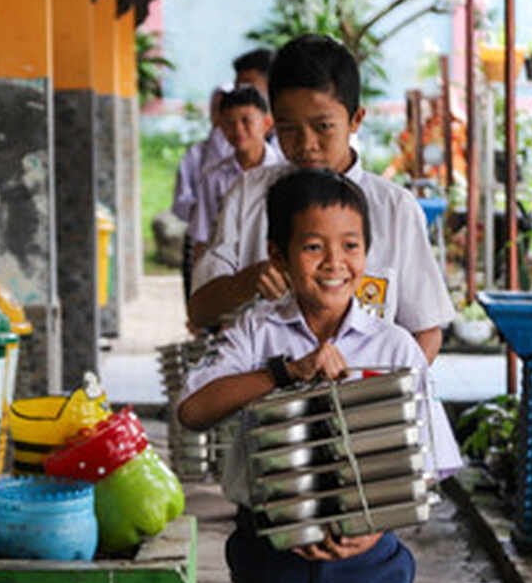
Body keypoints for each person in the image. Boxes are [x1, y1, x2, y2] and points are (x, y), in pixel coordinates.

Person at [178, 169, 462, 583]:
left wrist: (374, 530)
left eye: (351, 245)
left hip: (367, 570)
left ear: (367, 252)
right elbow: (193, 409)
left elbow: (429, 465)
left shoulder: (394, 347)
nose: (335, 262)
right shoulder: (256, 334)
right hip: (272, 561)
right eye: (313, 246)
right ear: (278, 256)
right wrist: (285, 372)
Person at [187, 34, 454, 364]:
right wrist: (247, 282)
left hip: (366, 393)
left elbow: (426, 331)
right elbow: (200, 311)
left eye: (323, 126)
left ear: (355, 119)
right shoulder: (248, 195)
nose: (306, 144)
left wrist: (389, 388)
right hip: (266, 394)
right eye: (288, 129)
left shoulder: (395, 209)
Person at [186, 87, 283, 264]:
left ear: (267, 123)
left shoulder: (283, 173)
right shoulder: (214, 177)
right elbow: (202, 236)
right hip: (228, 270)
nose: (238, 129)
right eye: (230, 123)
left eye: (246, 121)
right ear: (221, 128)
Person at [172, 87, 234, 300]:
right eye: (217, 109)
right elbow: (181, 204)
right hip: (204, 242)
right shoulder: (197, 155)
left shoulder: (263, 159)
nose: (222, 116)